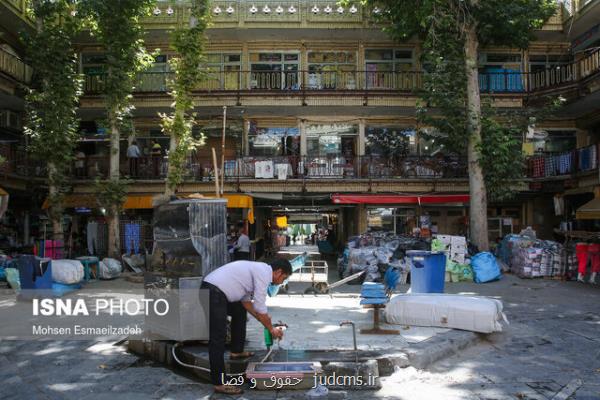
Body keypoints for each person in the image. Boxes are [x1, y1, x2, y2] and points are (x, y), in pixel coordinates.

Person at [201, 259, 292, 395]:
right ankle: (219, 383)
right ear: (278, 272)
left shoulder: (259, 270)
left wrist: (265, 322)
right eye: (283, 278)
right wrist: (271, 329)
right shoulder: (263, 273)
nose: (281, 282)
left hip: (216, 292)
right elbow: (260, 307)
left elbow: (247, 303)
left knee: (239, 310)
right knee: (217, 338)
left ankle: (236, 351)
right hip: (213, 292)